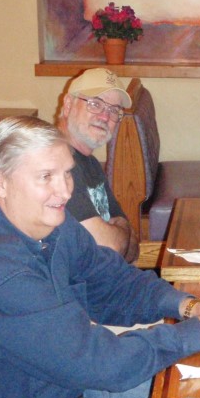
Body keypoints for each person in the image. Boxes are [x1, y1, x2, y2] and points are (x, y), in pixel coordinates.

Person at [0, 116, 200, 398]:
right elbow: (101, 363)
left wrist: (189, 307)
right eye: (46, 176)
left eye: (67, 173)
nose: (64, 190)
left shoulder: (51, 223)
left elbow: (113, 282)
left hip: (75, 393)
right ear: (0, 181)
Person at [57, 68, 139, 263]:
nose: (104, 117)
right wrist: (119, 233)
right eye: (95, 104)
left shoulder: (90, 163)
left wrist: (119, 235)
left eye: (113, 110)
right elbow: (110, 246)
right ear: (68, 105)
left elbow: (134, 248)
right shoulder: (58, 165)